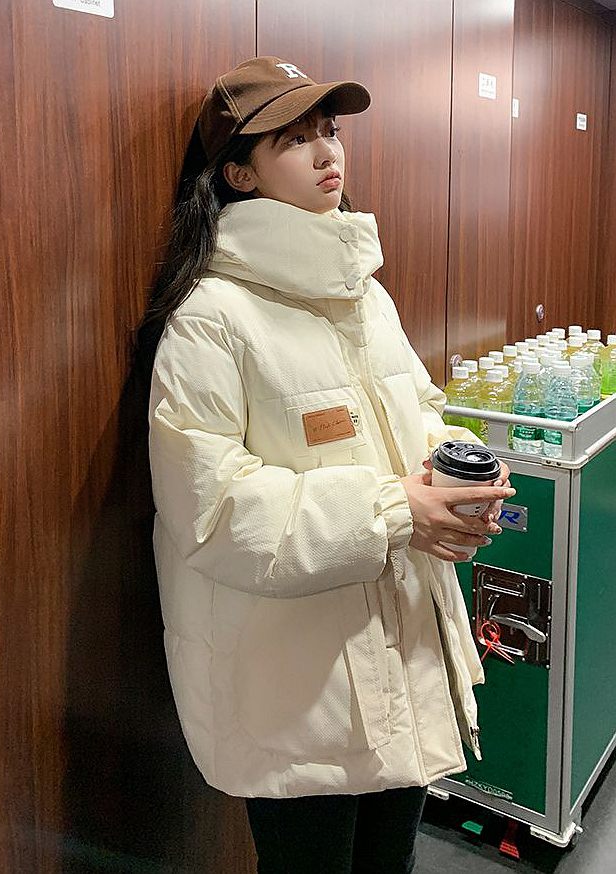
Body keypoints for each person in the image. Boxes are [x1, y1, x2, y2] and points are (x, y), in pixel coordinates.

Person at [142, 56, 513, 874]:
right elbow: (211, 509)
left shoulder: (365, 296)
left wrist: (454, 479)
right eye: (295, 139)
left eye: (331, 130)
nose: (327, 153)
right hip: (297, 692)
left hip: (403, 647)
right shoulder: (212, 317)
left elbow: (418, 411)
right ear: (239, 173)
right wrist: (395, 510)